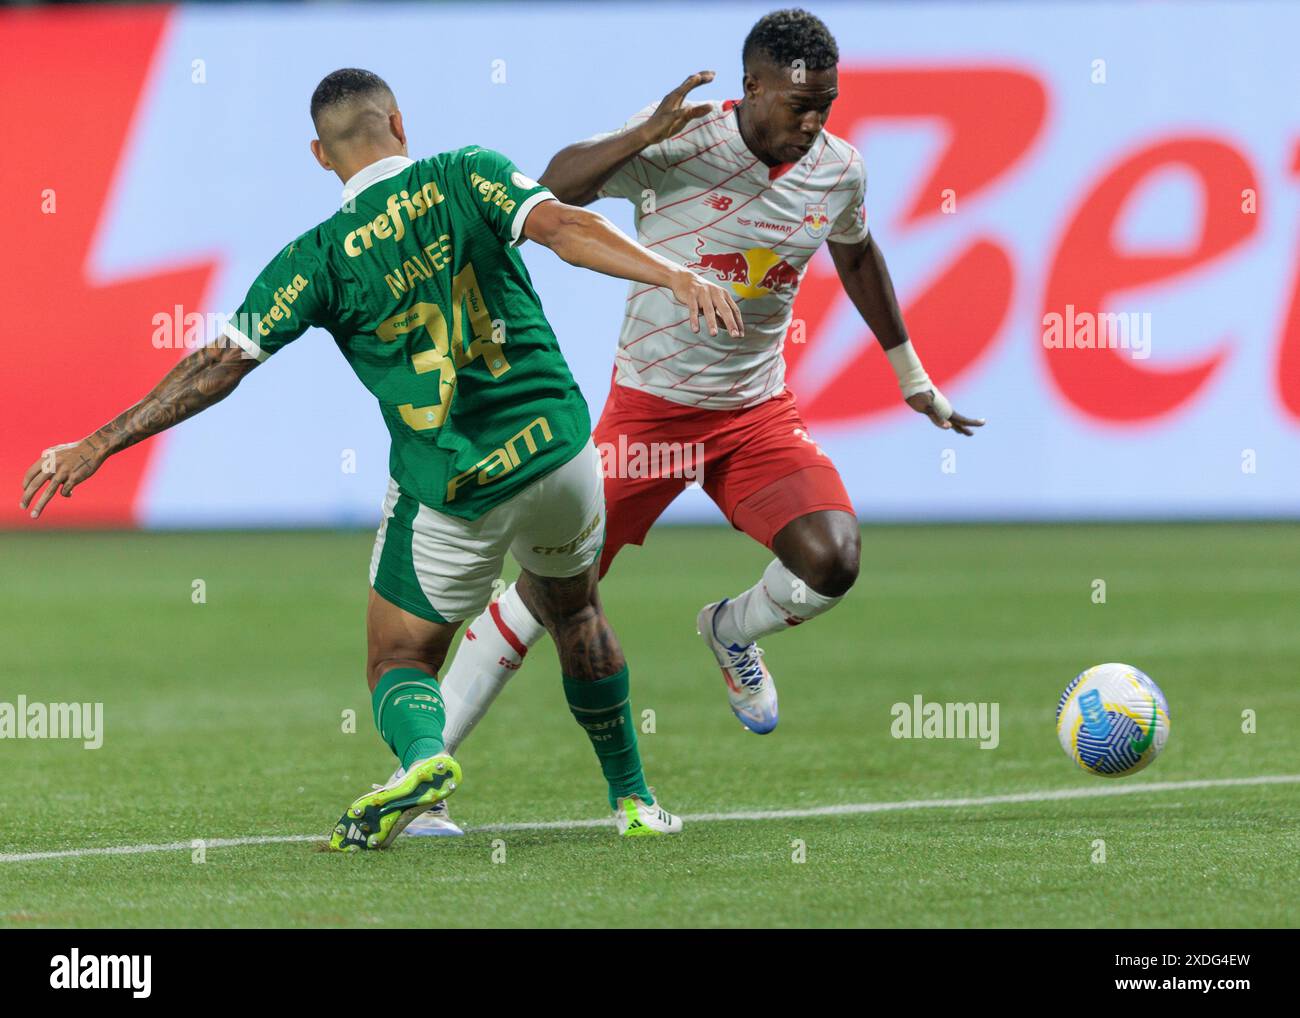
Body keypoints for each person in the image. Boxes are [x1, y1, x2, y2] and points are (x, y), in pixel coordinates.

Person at [18, 68, 744, 846]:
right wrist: (672, 272)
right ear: (399, 121)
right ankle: (633, 801)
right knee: (577, 611)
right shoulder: (468, 170)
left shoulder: (317, 258)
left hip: (458, 483)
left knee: (398, 656)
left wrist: (98, 442)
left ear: (320, 155)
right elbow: (564, 228)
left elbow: (217, 368)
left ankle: (425, 768)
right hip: (562, 453)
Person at [403, 8, 985, 836]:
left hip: (753, 417)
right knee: (545, 598)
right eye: (799, 104)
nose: (815, 121)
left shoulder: (838, 169)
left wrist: (912, 375)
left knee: (833, 561)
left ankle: (729, 630)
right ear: (751, 88)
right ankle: (420, 782)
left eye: (828, 101)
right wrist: (641, 131)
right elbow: (552, 186)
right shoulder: (679, 144)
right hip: (647, 416)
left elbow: (856, 253)